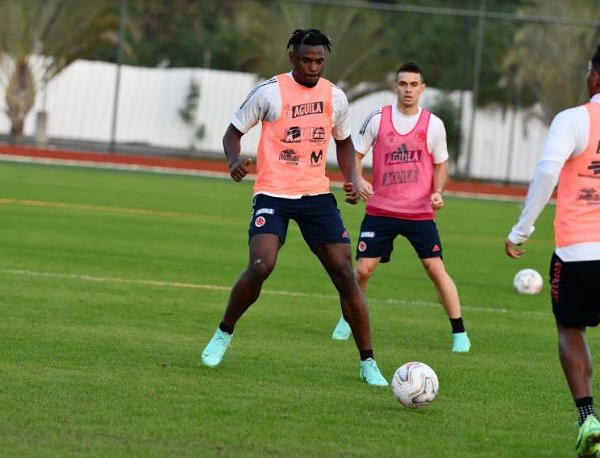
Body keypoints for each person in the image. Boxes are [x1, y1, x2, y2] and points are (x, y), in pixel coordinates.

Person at [199, 29, 388, 386]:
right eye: (306, 60)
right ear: (292, 57)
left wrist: (351, 177)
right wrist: (233, 160)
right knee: (261, 265)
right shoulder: (269, 92)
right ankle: (223, 333)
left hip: (316, 197)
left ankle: (368, 363)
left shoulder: (335, 96)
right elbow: (232, 133)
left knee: (346, 276)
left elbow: (344, 142)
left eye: (319, 61)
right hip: (273, 194)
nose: (313, 66)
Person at [330, 62, 471, 353]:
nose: (408, 89)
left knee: (435, 268)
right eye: (403, 84)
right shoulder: (377, 119)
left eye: (413, 84)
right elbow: (355, 155)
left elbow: (441, 163)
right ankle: (347, 321)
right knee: (362, 272)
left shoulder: (433, 124)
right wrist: (357, 180)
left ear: (422, 89)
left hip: (419, 212)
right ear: (395, 87)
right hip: (380, 211)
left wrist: (438, 191)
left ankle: (459, 332)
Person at [505, 43, 600, 457]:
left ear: (595, 76)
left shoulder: (575, 119)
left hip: (579, 250)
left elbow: (547, 171)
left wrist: (522, 229)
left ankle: (588, 419)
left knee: (571, 329)